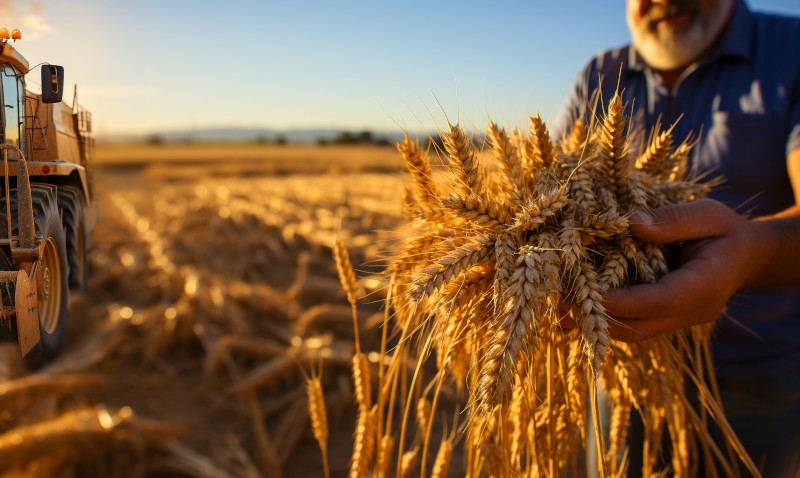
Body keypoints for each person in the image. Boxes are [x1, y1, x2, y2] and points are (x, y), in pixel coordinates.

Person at [553, 0, 800, 476]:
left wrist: (750, 253)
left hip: (754, 378)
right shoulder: (598, 74)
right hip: (620, 370)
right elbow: (554, 192)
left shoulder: (791, 51)